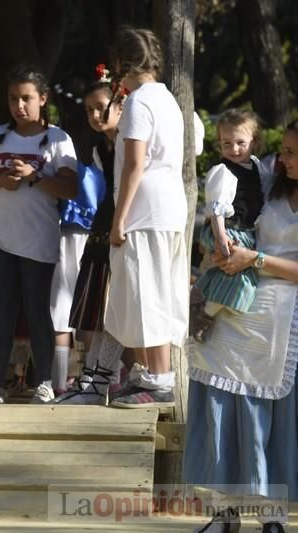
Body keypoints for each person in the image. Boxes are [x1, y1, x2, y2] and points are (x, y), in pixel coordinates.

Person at [183, 122, 298, 533]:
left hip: (283, 310)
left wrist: (257, 260)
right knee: (219, 403)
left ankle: (272, 515)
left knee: (271, 417)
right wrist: (220, 252)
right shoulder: (269, 185)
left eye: (290, 153)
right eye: (283, 150)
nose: (281, 159)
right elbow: (235, 223)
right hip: (241, 300)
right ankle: (224, 514)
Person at [0, 64, 78, 404]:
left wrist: (35, 175)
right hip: (0, 237)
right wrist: (2, 181)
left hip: (39, 239)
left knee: (36, 310)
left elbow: (70, 189)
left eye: (27, 98)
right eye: (13, 98)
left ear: (43, 99)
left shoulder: (58, 138)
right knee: (2, 309)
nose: (20, 105)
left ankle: (44, 382)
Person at [104, 28, 189, 409]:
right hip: (170, 207)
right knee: (161, 289)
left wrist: (118, 218)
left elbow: (135, 163)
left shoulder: (138, 102)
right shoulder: (168, 99)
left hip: (145, 209)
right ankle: (157, 374)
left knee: (147, 293)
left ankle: (159, 379)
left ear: (122, 62)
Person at [57, 70, 127, 405]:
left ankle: (102, 378)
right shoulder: (102, 149)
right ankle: (91, 378)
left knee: (115, 306)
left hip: (123, 225)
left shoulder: (132, 143)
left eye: (101, 107)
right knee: (98, 306)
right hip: (103, 226)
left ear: (120, 104)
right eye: (88, 110)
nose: (95, 115)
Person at [191, 109, 267, 342]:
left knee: (230, 273)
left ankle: (200, 300)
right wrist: (220, 236)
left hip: (243, 230)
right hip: (225, 230)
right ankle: (205, 314)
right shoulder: (223, 171)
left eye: (240, 143)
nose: (234, 149)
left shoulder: (256, 166)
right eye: (227, 143)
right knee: (237, 274)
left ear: (254, 142)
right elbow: (216, 208)